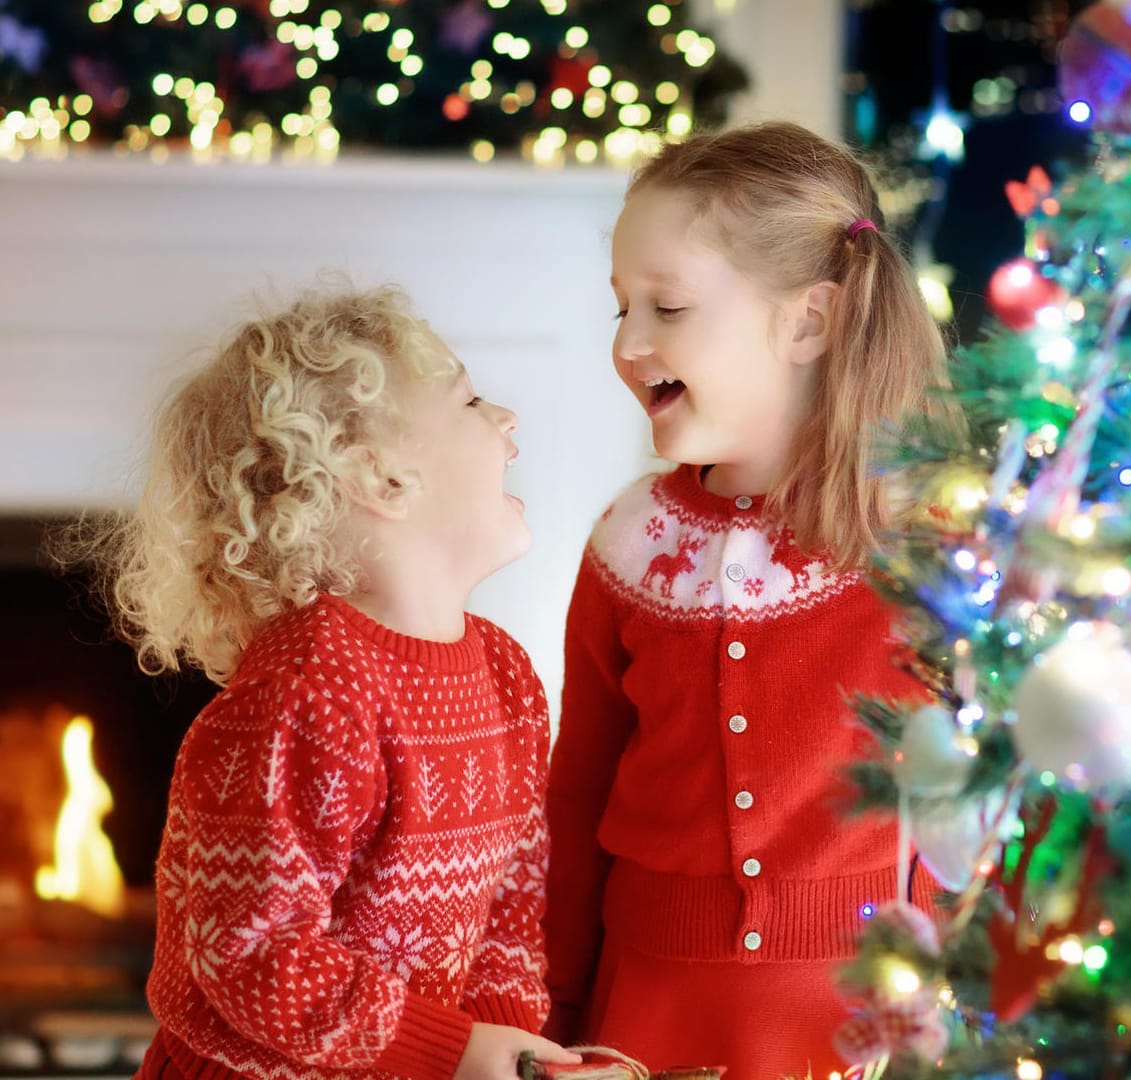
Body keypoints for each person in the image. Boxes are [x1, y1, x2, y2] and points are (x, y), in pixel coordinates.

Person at [65, 280, 580, 1080]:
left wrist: (510, 1048)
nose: (507, 422)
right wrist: (451, 1052)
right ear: (381, 479)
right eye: (471, 402)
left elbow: (510, 906)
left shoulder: (508, 677)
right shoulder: (309, 689)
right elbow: (249, 948)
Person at [542, 122, 956, 1079]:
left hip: (867, 1018)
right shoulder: (629, 542)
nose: (631, 343)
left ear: (808, 322)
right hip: (641, 1008)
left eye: (670, 306)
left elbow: (992, 789)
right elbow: (580, 790)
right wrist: (553, 1001)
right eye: (621, 309)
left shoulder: (928, 538)